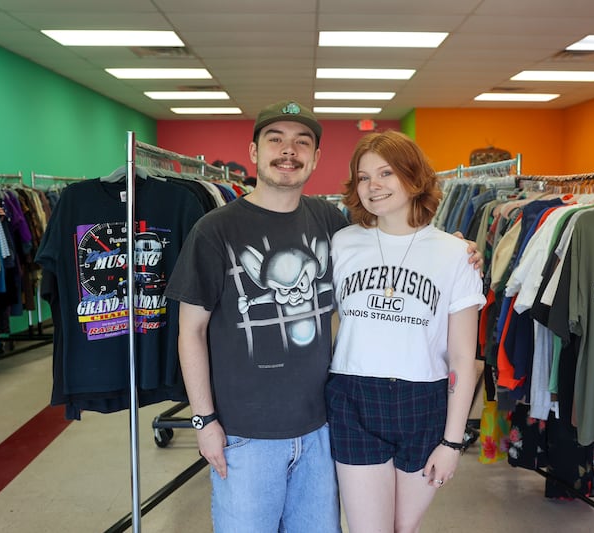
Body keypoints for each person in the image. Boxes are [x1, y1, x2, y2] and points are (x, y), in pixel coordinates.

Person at [165, 100, 481, 533]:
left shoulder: (330, 223)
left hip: (321, 424)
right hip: (249, 429)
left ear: (315, 158)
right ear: (254, 152)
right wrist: (202, 420)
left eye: (301, 143)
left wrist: (459, 249)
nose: (287, 151)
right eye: (275, 140)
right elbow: (191, 331)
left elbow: (400, 243)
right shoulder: (216, 229)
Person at [326, 130, 485, 532]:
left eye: (385, 173)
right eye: (363, 177)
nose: (373, 186)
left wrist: (452, 442)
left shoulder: (456, 254)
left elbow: (465, 358)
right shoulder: (341, 244)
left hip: (424, 401)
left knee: (404, 528)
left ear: (413, 177)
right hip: (353, 396)